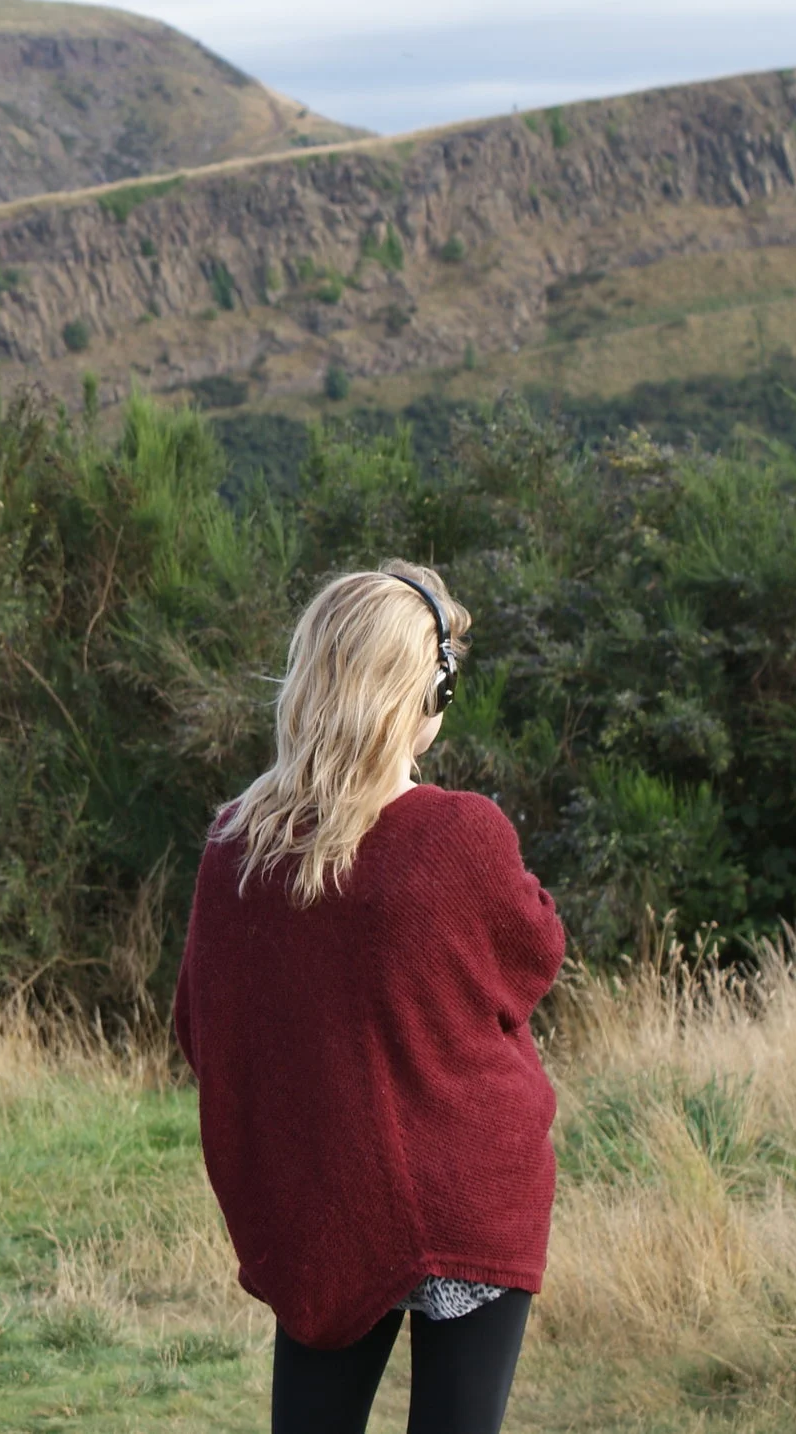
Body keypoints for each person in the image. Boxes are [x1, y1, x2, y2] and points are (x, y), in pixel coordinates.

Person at [172, 561, 565, 1434]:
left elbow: (203, 1030)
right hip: (468, 1200)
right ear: (425, 697)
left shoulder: (236, 846)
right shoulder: (460, 834)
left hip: (321, 1202)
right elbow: (534, 956)